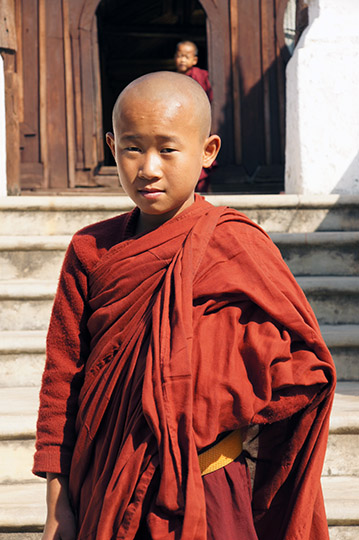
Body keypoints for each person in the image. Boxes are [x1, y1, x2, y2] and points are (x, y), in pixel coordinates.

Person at [33, 71, 336, 540]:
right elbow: (62, 378)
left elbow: (307, 365)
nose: (148, 168)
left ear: (207, 151)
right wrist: (57, 506)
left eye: (168, 149)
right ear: (112, 148)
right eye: (132, 148)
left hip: (209, 484)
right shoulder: (91, 250)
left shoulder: (235, 246)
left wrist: (218, 403)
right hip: (104, 485)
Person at [175, 40, 214, 192]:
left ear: (194, 60)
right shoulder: (174, 78)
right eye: (180, 56)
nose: (182, 60)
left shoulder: (198, 75)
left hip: (194, 122)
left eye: (186, 56)